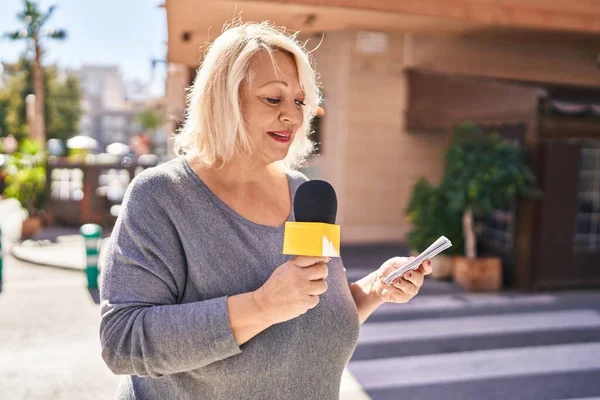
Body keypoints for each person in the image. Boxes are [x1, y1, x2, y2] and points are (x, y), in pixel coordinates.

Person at [99, 21, 433, 400]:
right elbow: (122, 342)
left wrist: (372, 291)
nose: (292, 115)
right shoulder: (161, 196)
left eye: (300, 100)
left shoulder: (304, 194)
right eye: (273, 99)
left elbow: (307, 320)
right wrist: (261, 305)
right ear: (222, 101)